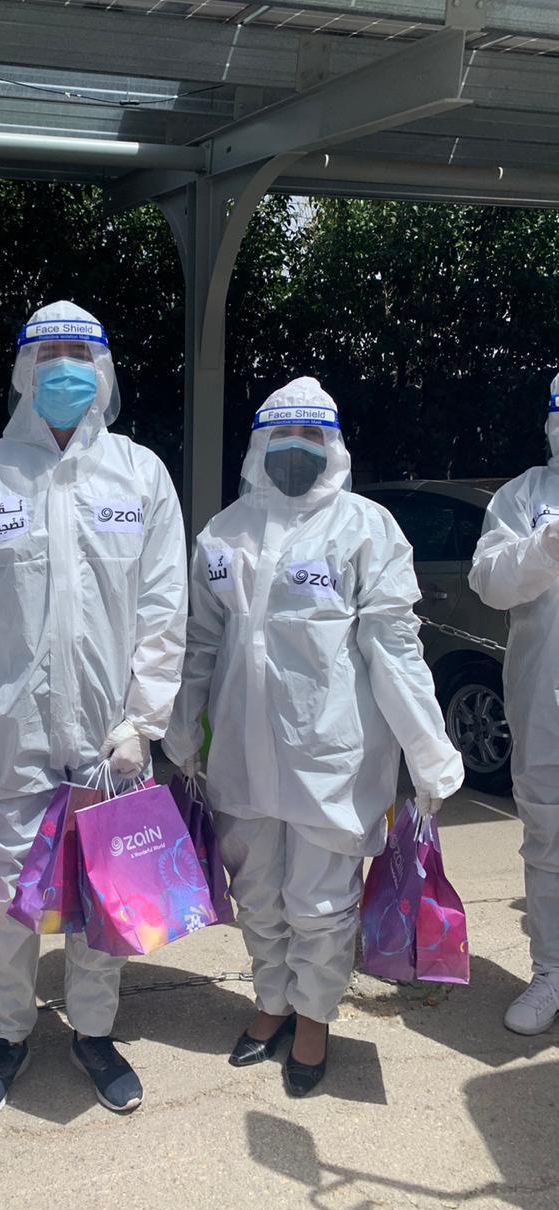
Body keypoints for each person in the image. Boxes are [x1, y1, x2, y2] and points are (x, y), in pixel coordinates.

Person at [163, 376, 463, 1096]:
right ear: (258, 445)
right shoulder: (224, 533)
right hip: (240, 753)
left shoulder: (366, 529)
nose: (294, 450)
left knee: (322, 904)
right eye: (281, 436)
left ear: (334, 445)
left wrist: (428, 752)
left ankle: (314, 1019)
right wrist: (181, 730)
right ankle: (271, 1002)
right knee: (258, 893)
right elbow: (199, 642)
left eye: (310, 436)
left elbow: (395, 649)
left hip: (333, 757)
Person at [0, 301, 187, 1121]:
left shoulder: (140, 475)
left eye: (81, 352)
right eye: (51, 353)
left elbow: (164, 607)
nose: (66, 367)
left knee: (105, 888)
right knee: (8, 893)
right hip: (15, 729)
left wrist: (143, 720)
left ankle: (94, 1033)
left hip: (111, 733)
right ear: (23, 370)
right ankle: (7, 1034)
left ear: (103, 370)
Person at [469, 374, 559, 1035]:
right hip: (542, 698)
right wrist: (543, 549)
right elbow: (488, 583)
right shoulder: (525, 496)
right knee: (547, 838)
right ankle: (551, 971)